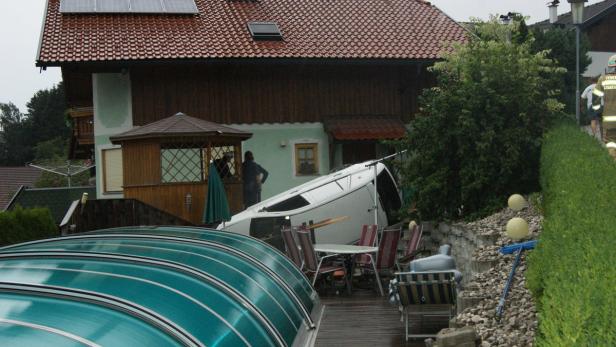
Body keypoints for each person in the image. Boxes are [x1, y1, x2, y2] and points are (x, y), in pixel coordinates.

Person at [592, 55, 616, 143]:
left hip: (609, 121)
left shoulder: (603, 79)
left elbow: (595, 98)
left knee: (611, 144)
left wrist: (598, 112)